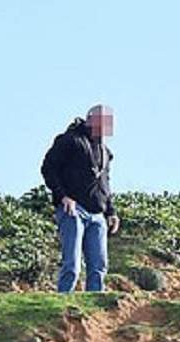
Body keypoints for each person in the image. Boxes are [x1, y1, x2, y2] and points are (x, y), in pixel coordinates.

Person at [40, 104, 120, 293]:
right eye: (102, 121)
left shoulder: (105, 152)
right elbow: (48, 168)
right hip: (74, 210)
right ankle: (62, 304)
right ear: (91, 120)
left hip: (97, 214)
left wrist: (111, 211)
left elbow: (104, 183)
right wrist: (62, 196)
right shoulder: (70, 140)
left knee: (99, 267)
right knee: (72, 266)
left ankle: (94, 308)